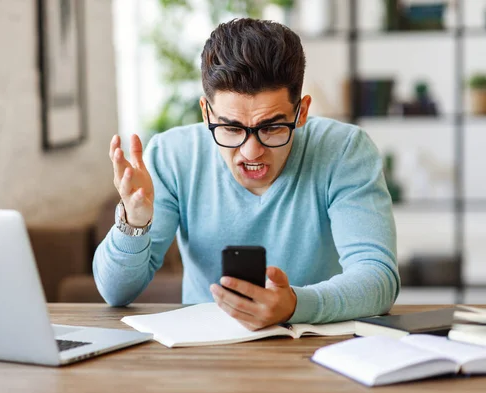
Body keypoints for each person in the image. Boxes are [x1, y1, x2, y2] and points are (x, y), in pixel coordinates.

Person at [93, 18, 400, 330]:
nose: (252, 152)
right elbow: (115, 293)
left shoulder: (345, 150)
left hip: (318, 347)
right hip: (204, 353)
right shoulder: (173, 156)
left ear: (302, 112)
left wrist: (295, 305)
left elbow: (378, 277)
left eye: (271, 126)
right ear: (206, 113)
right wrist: (134, 221)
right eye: (230, 127)